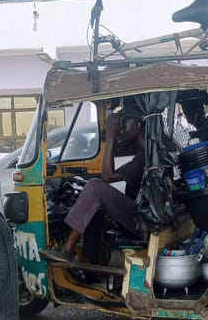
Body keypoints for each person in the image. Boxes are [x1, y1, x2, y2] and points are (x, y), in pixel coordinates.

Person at [41, 104, 145, 263]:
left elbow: (107, 177)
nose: (120, 132)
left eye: (123, 126)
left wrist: (110, 136)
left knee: (95, 186)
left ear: (137, 126)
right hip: (140, 216)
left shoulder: (146, 156)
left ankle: (67, 249)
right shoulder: (145, 153)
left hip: (142, 222)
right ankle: (90, 271)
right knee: (94, 214)